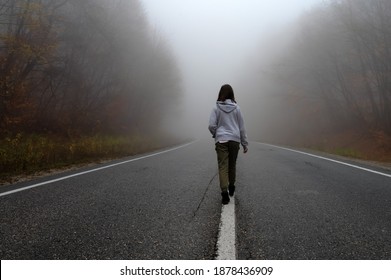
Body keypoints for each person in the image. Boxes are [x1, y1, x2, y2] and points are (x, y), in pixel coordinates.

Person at [208, 84, 248, 205]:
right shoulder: (237, 108)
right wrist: (245, 143)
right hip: (234, 140)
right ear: (232, 94)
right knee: (232, 165)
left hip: (221, 140)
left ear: (221, 93)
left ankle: (224, 194)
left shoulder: (216, 108)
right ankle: (231, 186)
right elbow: (242, 128)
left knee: (223, 166)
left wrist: (217, 134)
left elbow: (211, 125)